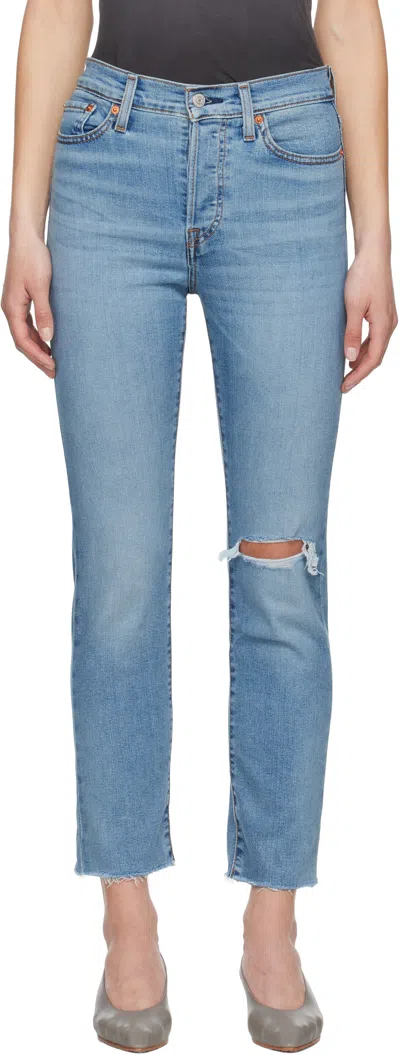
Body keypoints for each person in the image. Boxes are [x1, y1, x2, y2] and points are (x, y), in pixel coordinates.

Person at [2, 1, 397, 1051]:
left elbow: (350, 15)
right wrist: (23, 221)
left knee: (282, 571)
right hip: (109, 158)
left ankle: (273, 919)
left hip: (288, 164)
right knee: (119, 579)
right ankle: (126, 917)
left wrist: (374, 240)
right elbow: (59, 7)